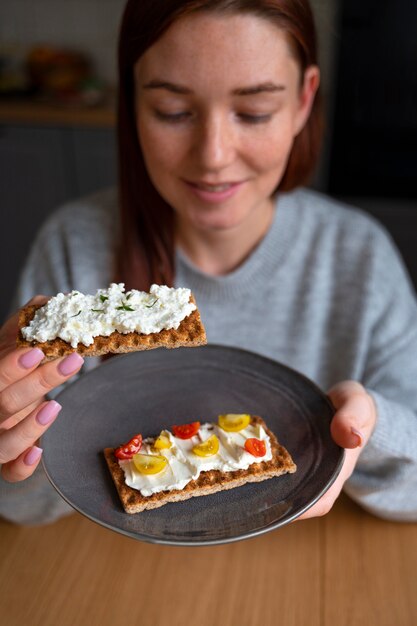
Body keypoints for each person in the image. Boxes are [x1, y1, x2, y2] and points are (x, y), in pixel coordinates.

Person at [1, 0, 417, 525]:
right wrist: (10, 449)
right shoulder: (73, 245)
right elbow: (21, 507)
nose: (214, 155)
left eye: (254, 112)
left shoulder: (359, 256)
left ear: (304, 100)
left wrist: (372, 425)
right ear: (131, 102)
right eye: (174, 112)